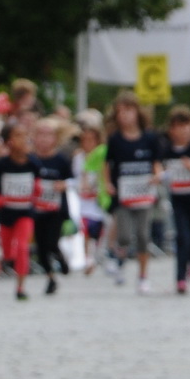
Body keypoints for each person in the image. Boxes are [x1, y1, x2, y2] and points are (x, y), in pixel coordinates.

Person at [101, 91, 159, 294]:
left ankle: (143, 277)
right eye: (120, 112)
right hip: (123, 195)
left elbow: (156, 163)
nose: (124, 116)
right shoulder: (115, 139)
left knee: (143, 235)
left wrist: (156, 176)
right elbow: (107, 164)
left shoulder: (150, 138)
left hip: (144, 193)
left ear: (137, 112)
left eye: (128, 110)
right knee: (124, 236)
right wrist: (108, 183)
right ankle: (118, 258)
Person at [155, 106, 190, 294]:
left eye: (186, 126)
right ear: (171, 129)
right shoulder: (167, 150)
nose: (182, 130)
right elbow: (161, 170)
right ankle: (180, 279)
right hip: (178, 200)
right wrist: (160, 176)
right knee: (182, 237)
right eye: (178, 126)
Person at [0, 122, 40, 301]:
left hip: (25, 213)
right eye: (18, 135)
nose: (23, 139)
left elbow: (38, 183)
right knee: (9, 252)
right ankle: (8, 262)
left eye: (25, 135)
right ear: (8, 142)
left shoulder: (33, 163)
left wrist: (36, 195)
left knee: (23, 247)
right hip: (6, 215)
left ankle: (20, 287)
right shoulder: (0, 165)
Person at [29, 117, 72, 294]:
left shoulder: (61, 160)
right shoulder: (30, 159)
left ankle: (60, 257)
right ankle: (50, 278)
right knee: (41, 247)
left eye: (48, 135)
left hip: (56, 209)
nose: (44, 139)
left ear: (56, 138)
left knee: (52, 243)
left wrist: (64, 184)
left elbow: (72, 179)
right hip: (37, 209)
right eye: (40, 135)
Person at [74, 111, 110, 277]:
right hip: (83, 201)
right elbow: (76, 177)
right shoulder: (79, 158)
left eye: (91, 140)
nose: (88, 143)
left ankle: (98, 256)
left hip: (99, 200)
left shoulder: (103, 156)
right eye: (85, 140)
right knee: (85, 229)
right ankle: (87, 258)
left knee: (100, 230)